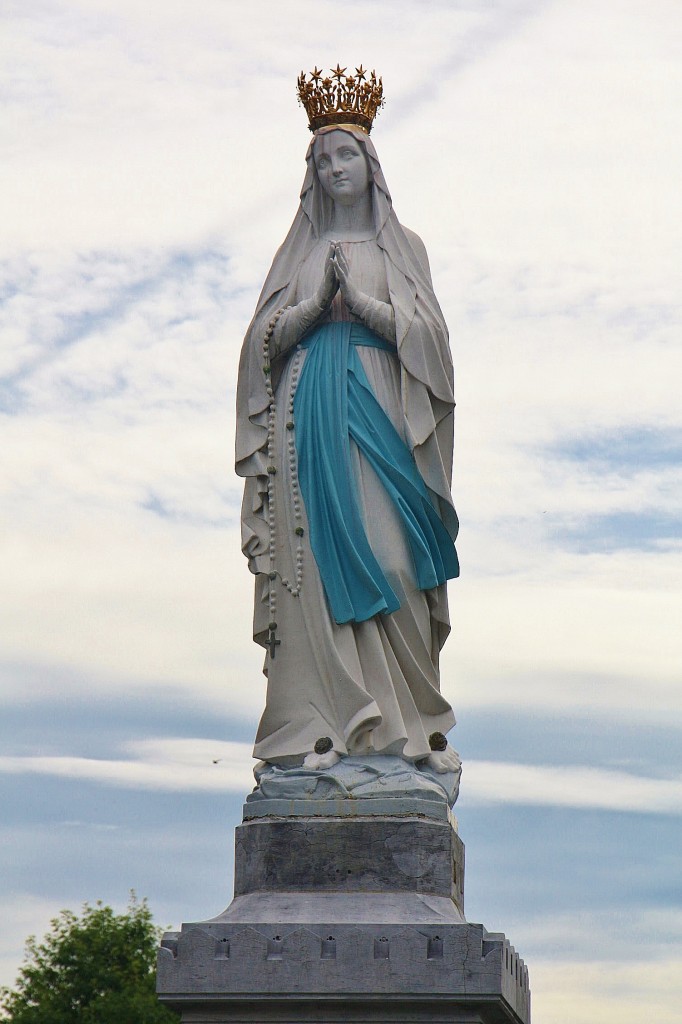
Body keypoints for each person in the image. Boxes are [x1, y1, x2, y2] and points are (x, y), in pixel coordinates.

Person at [236, 120, 460, 775]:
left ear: (369, 165)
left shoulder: (404, 249)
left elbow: (436, 350)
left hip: (383, 410)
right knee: (314, 579)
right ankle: (323, 730)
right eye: (322, 159)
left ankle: (409, 730)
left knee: (395, 562)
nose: (335, 168)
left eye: (345, 155)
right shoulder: (297, 255)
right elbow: (259, 347)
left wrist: (363, 305)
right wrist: (308, 314)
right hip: (309, 415)